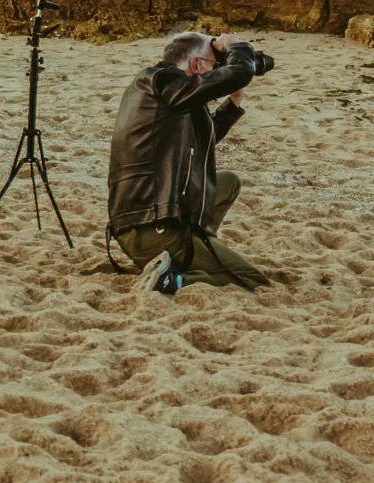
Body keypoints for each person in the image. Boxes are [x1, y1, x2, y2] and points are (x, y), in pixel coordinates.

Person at [108, 31, 271, 291]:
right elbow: (240, 72)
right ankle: (173, 279)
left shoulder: (171, 94)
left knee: (227, 182)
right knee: (251, 280)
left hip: (153, 219)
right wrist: (235, 47)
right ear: (195, 65)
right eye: (213, 65)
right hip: (150, 227)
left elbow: (203, 139)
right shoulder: (160, 81)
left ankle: (198, 248)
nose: (216, 72)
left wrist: (233, 102)